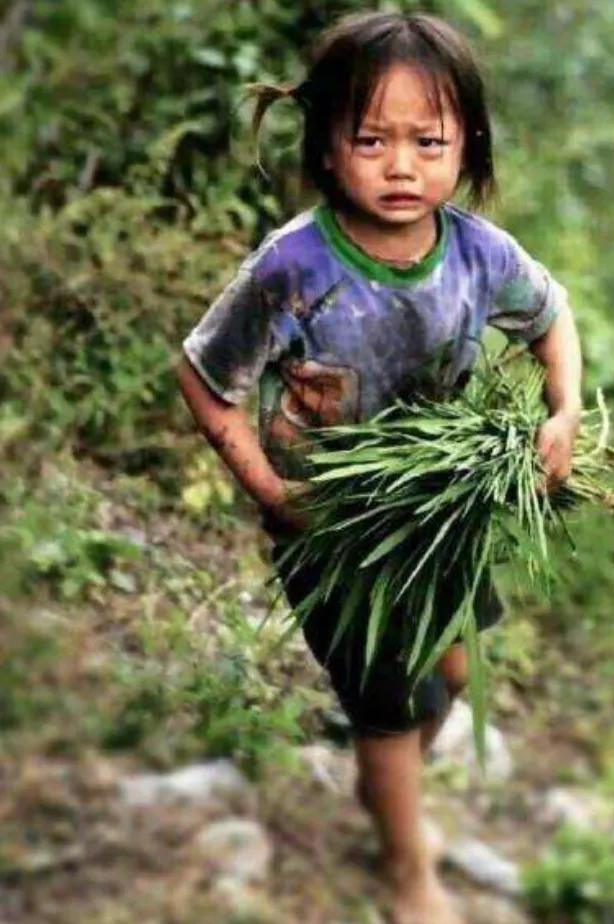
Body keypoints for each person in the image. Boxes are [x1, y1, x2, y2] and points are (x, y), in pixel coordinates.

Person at [177, 11, 582, 923]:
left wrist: (561, 413)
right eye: (371, 139)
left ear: (465, 145)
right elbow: (205, 381)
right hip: (333, 531)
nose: (401, 166)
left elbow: (554, 319)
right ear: (326, 146)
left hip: (441, 509)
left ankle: (384, 761)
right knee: (391, 702)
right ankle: (408, 865)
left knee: (452, 668)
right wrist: (274, 494)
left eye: (427, 141)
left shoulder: (478, 255)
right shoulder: (294, 265)